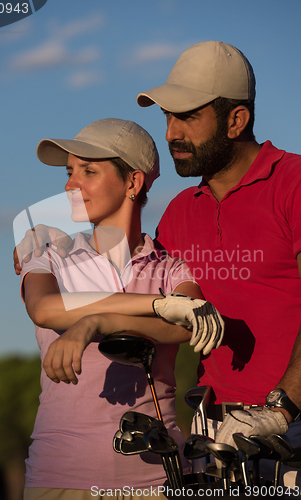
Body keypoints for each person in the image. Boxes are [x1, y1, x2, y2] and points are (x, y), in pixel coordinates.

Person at [16, 118, 224, 499]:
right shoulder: (48, 255)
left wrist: (97, 322)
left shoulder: (171, 268)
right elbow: (45, 308)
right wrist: (157, 306)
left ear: (133, 182)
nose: (70, 184)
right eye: (69, 172)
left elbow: (186, 325)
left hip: (156, 479)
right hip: (59, 476)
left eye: (89, 171)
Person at [136, 40, 301, 486]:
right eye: (167, 117)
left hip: (293, 432)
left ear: (236, 120)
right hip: (218, 439)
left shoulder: (294, 183)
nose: (171, 132)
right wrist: (51, 251)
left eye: (187, 116)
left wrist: (282, 410)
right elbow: (136, 291)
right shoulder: (177, 213)